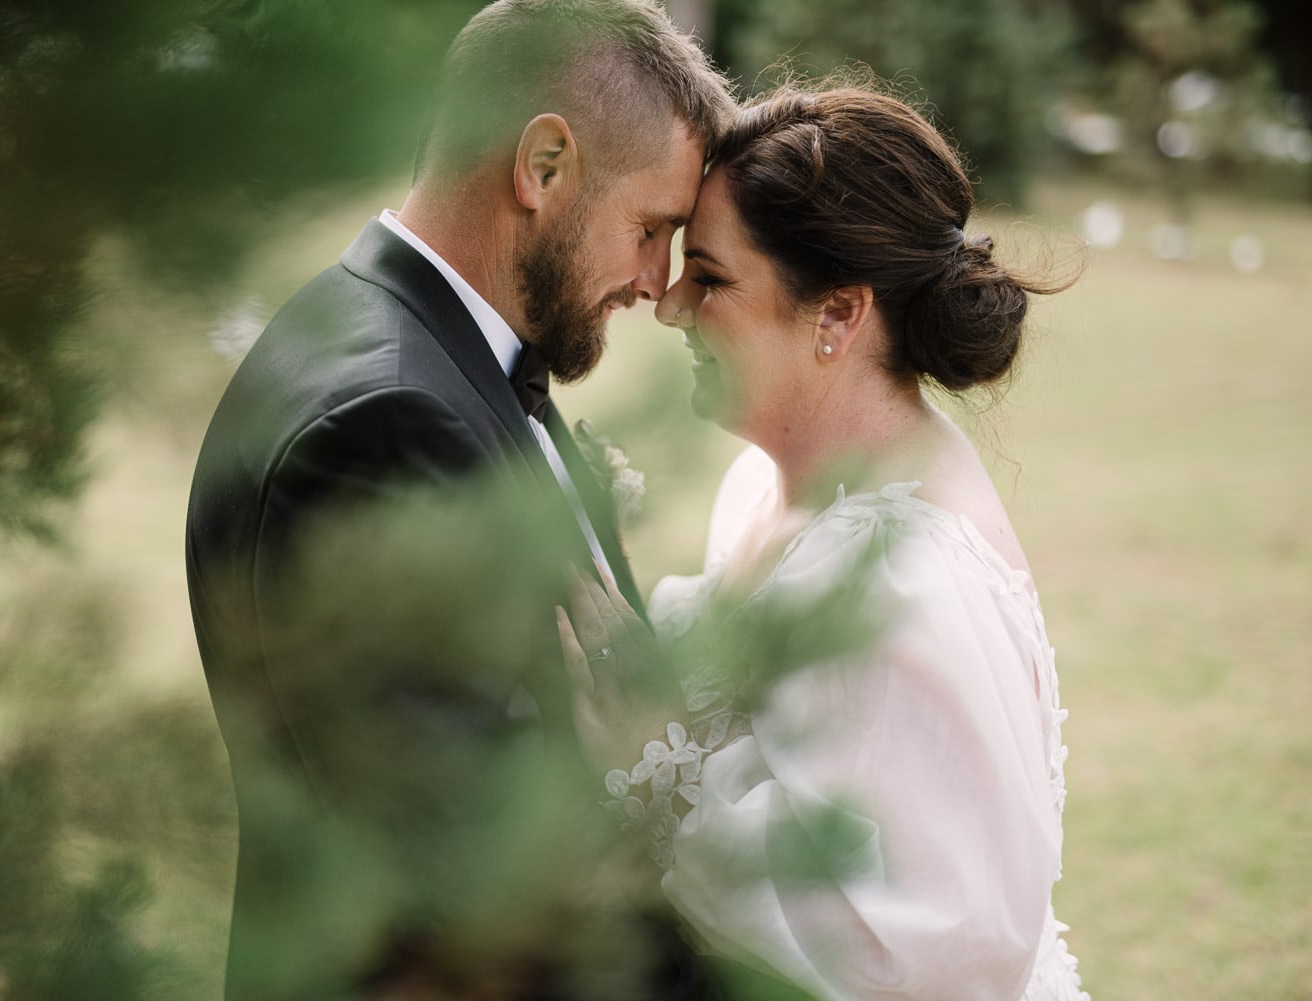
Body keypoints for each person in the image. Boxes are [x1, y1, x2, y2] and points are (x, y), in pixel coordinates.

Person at [185, 1, 735, 998]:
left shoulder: (431, 356)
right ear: (545, 167)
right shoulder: (383, 430)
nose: (658, 284)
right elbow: (481, 884)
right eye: (651, 228)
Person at [560, 85, 1088, 1000]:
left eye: (713, 278)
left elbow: (908, 951)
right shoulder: (771, 476)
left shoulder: (902, 580)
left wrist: (648, 766)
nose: (671, 304)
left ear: (838, 315)